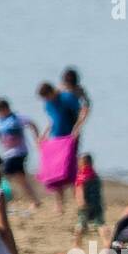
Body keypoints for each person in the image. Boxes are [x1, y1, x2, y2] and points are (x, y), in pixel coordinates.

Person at [38, 81, 82, 213]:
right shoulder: (48, 104)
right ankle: (59, 204)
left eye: (47, 97)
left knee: (70, 170)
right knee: (54, 173)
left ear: (51, 92)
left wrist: (76, 129)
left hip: (69, 138)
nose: (46, 100)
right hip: (55, 139)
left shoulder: (66, 98)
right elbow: (52, 121)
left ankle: (79, 201)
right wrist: (43, 134)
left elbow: (80, 112)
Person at [0, 98, 42, 208]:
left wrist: (37, 138)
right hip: (7, 153)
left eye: (2, 110)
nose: (0, 113)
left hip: (19, 152)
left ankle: (3, 197)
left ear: (7, 108)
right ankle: (35, 200)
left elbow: (32, 123)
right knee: (21, 179)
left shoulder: (16, 118)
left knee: (3, 172)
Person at [73, 152, 106, 249]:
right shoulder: (95, 176)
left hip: (85, 205)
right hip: (96, 204)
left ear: (81, 164)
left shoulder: (81, 176)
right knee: (100, 224)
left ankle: (76, 246)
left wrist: (80, 202)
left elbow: (80, 190)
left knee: (80, 225)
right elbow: (98, 191)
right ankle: (107, 245)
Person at [60, 67, 91, 139]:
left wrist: (82, 116)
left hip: (74, 117)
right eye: (67, 85)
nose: (70, 88)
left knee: (73, 138)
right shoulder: (61, 88)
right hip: (62, 117)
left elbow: (87, 103)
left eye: (71, 86)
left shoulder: (79, 89)